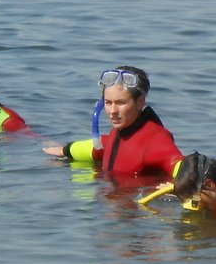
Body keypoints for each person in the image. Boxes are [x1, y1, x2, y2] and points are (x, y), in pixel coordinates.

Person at [42, 66, 184, 181]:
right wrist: (66, 150)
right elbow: (100, 146)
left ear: (140, 102)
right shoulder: (119, 133)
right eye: (108, 103)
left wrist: (181, 185)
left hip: (138, 213)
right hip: (113, 207)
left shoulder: (155, 139)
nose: (112, 111)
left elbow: (182, 167)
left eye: (120, 103)